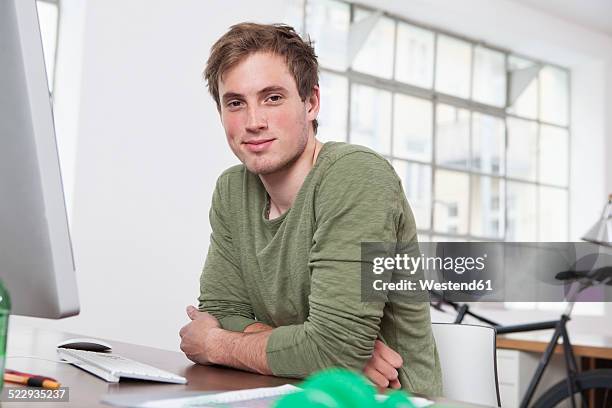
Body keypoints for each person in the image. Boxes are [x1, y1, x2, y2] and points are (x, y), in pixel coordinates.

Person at [179, 22, 442, 396]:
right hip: (289, 392)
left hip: (387, 400)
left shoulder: (355, 175)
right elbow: (220, 312)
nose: (254, 122)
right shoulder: (232, 190)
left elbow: (334, 350)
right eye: (235, 102)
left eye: (272, 98)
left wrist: (216, 345)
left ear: (311, 102)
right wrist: (319, 349)